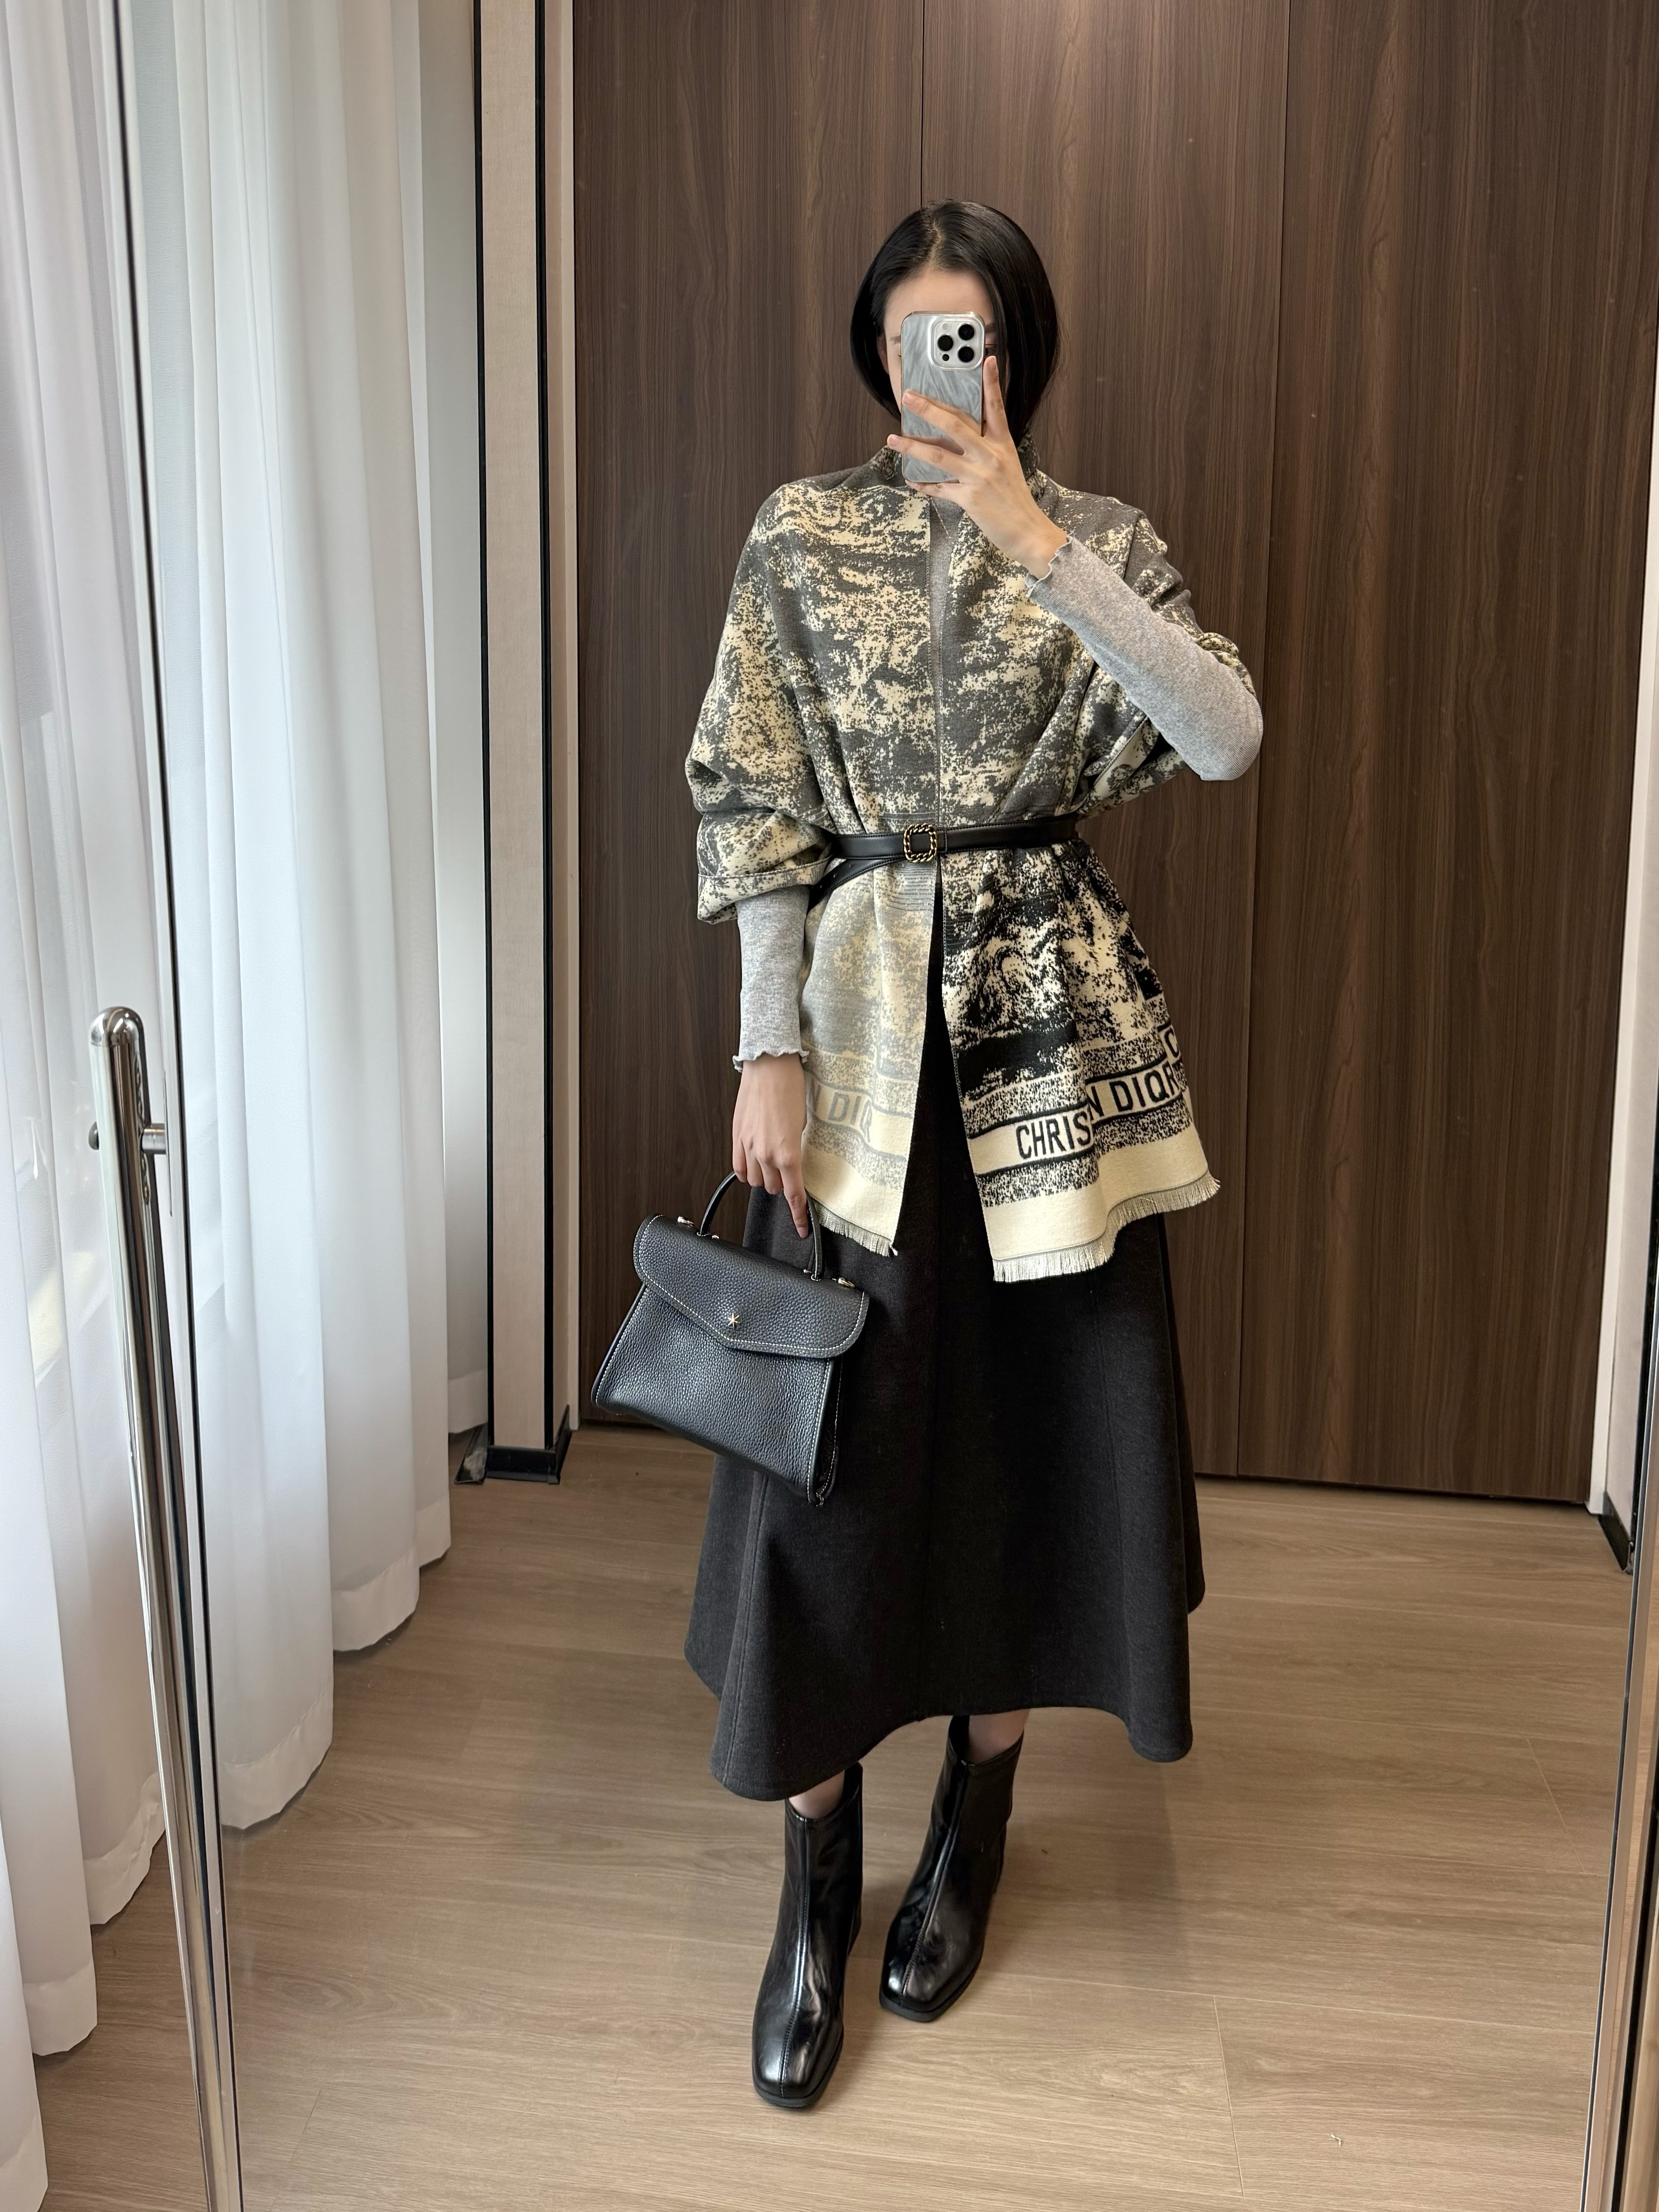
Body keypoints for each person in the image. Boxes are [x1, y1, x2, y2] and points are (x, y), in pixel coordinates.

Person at [682, 200, 1262, 2109]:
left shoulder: (1097, 538)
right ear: (875, 351)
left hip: (1047, 1057)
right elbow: (757, 801)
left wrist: (1037, 544)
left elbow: (1223, 733)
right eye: (915, 338)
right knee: (827, 1456)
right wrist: (765, 1044)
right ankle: (815, 1872)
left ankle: (977, 1817)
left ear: (1020, 346)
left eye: (977, 335)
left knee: (1020, 1439)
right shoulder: (800, 534)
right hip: (855, 1051)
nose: (947, 367)